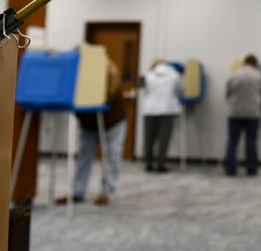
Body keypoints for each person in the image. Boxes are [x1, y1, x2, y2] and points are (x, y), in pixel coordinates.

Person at [56, 59, 127, 205]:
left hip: (112, 121)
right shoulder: (72, 74)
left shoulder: (107, 70)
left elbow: (111, 89)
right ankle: (77, 191)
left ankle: (106, 191)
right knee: (84, 157)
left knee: (111, 156)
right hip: (88, 123)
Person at [224, 55, 261, 176]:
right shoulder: (258, 76)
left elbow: (227, 94)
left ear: (244, 62)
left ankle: (230, 169)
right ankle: (251, 169)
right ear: (255, 63)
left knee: (232, 141)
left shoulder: (234, 75)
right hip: (253, 113)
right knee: (251, 141)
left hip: (235, 113)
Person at [140, 58, 182, 173]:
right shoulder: (175, 75)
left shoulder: (148, 75)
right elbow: (179, 91)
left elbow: (145, 91)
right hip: (167, 110)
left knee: (149, 138)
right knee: (164, 139)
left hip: (149, 110)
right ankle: (160, 165)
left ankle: (148, 164)